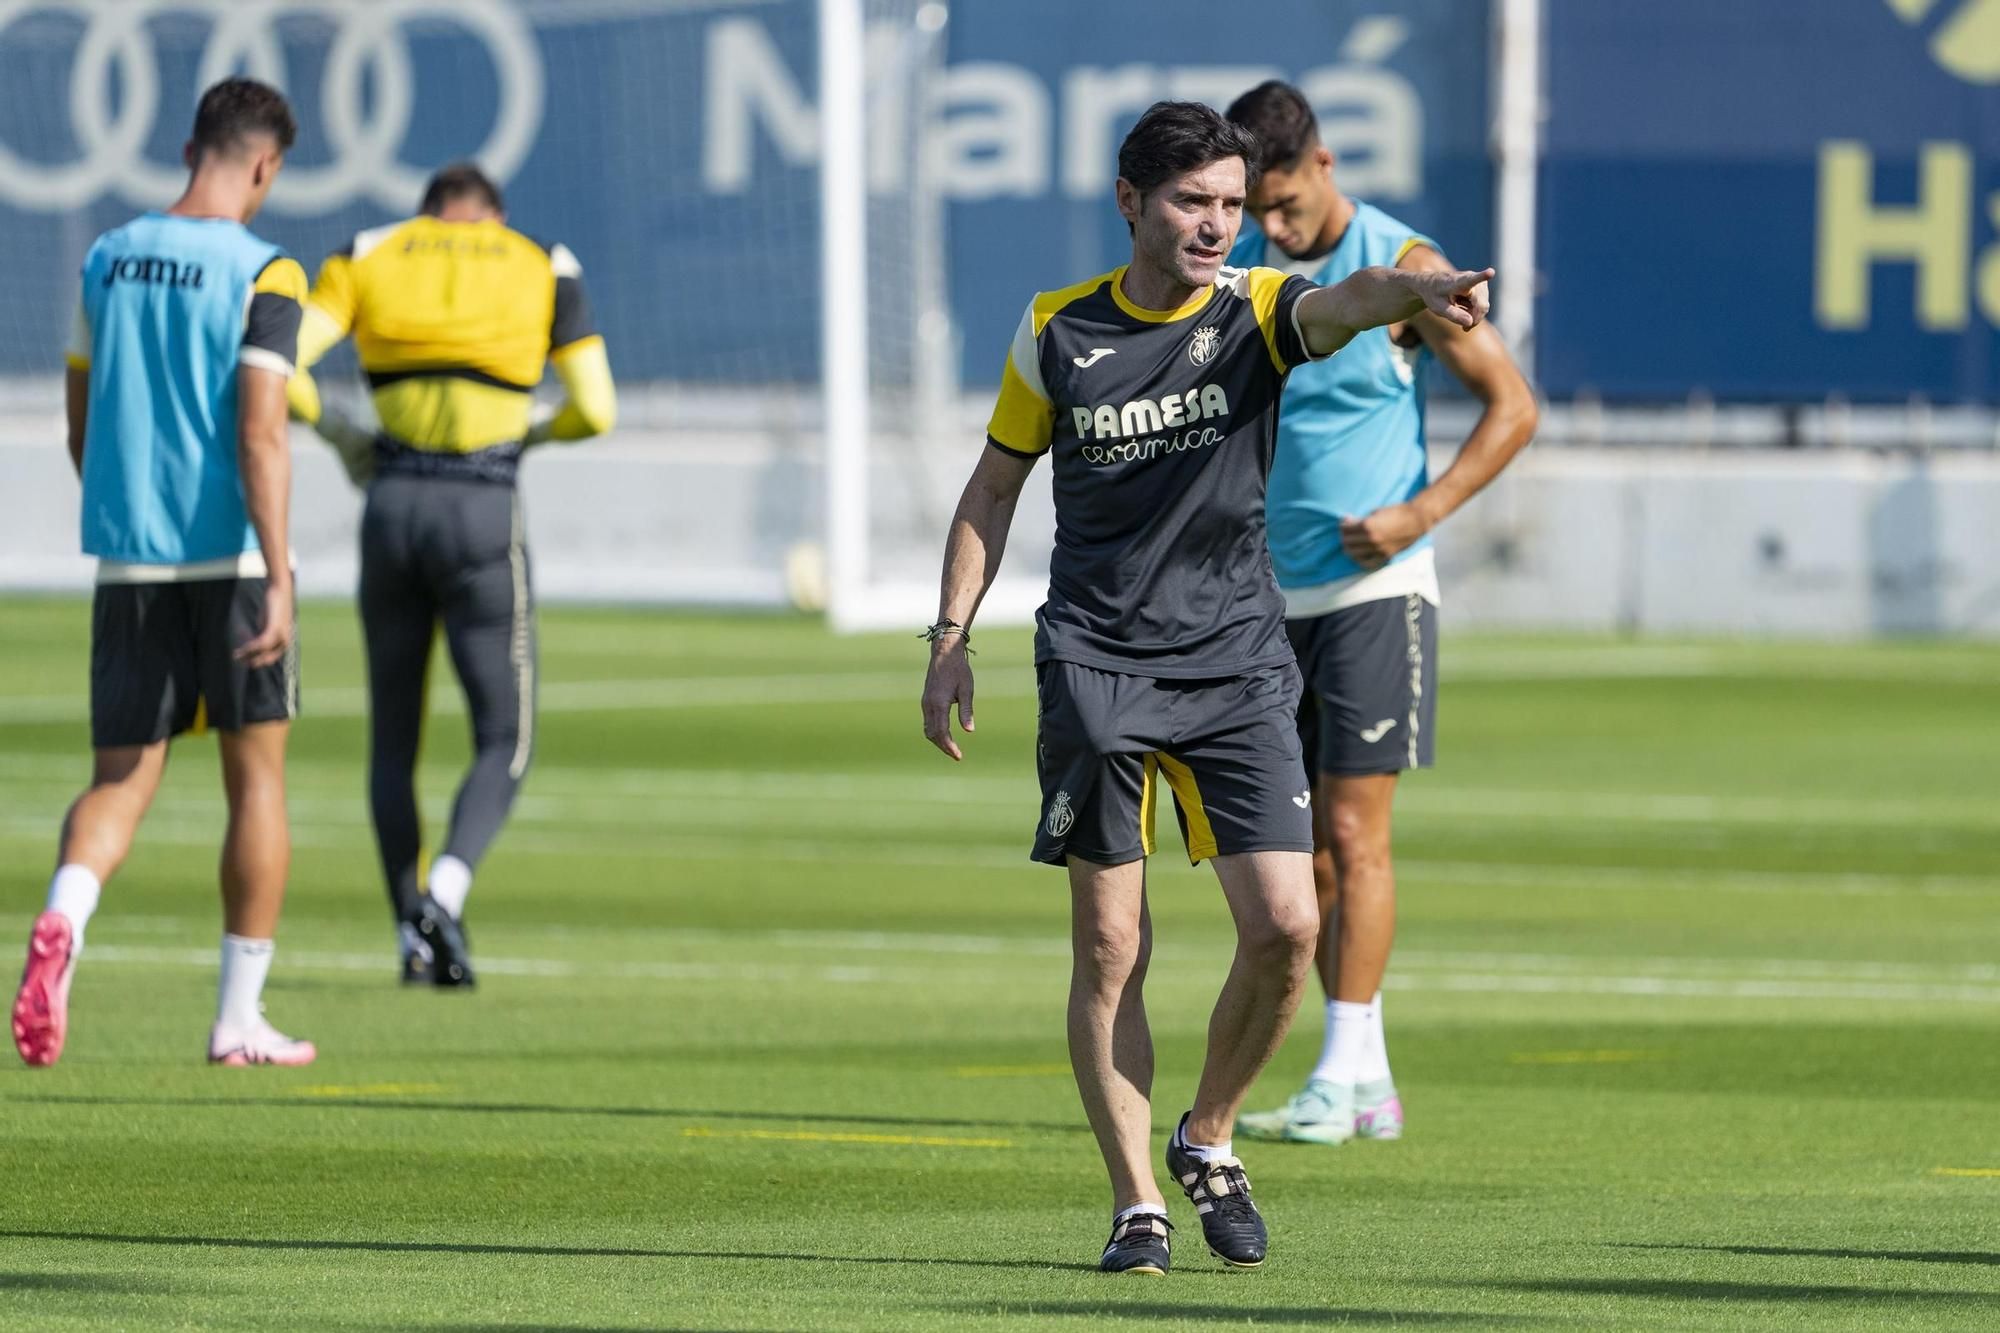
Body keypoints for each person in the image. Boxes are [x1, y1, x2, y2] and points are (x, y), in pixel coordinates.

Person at [920, 100, 1493, 1276]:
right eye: (1192, 202)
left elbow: (1349, 300)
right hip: (1096, 659)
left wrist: (1418, 288)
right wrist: (947, 638)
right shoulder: (1056, 329)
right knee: (1110, 945)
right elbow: (992, 490)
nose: (1216, 225)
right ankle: (1135, 1202)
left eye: (1230, 205)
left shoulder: (1257, 311)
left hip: (1234, 660)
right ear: (1129, 202)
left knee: (1287, 925)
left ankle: (1208, 1136)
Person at [1224, 82, 1537, 1147]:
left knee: (1355, 833)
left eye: (1282, 202)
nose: (1271, 227)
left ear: (1322, 164)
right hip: (1267, 597)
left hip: (1373, 590)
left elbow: (1513, 405)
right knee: (1303, 851)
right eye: (1255, 209)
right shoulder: (1245, 270)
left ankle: (1340, 1070)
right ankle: (1364, 1074)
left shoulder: (1402, 263)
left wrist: (1420, 513)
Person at [11, 78, 314, 1069]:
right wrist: (279, 572)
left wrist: (133, 513)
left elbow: (80, 424)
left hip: (130, 560)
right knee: (255, 782)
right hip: (231, 558)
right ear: (265, 165)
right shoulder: (267, 271)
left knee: (118, 783)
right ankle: (238, 1018)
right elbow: (261, 435)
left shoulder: (106, 258)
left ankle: (66, 916)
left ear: (190, 149)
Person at [287, 163, 616, 987]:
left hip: (391, 505)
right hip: (482, 507)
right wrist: (529, 436)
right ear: (492, 214)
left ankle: (412, 935)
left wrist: (343, 432)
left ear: (428, 211)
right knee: (505, 736)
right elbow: (596, 408)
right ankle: (445, 892)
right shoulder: (542, 261)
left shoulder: (369, 252)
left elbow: (277, 365)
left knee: (393, 742)